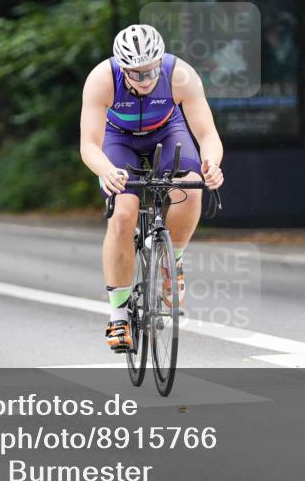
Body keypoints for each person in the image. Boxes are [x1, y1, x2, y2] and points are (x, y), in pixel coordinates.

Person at [80, 24, 224, 351]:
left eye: (151, 71)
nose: (145, 80)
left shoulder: (181, 75)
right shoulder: (102, 79)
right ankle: (118, 316)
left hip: (167, 130)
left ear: (160, 61)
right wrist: (106, 170)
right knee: (123, 214)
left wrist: (212, 164)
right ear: (122, 68)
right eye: (136, 74)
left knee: (189, 188)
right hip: (118, 138)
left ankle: (173, 261)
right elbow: (89, 145)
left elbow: (207, 135)